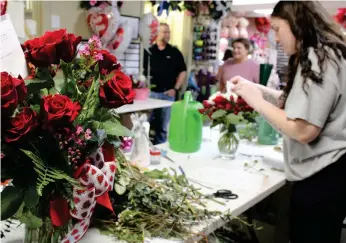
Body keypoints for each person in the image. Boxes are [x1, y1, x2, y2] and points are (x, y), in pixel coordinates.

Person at [230, 1, 346, 243]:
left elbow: (303, 129)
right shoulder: (329, 54)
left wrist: (258, 103)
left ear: (296, 24)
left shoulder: (318, 58)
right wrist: (260, 90)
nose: (275, 37)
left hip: (321, 177)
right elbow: (305, 104)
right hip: (330, 176)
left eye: (277, 28)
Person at [143, 23, 187, 145]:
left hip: (168, 94)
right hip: (151, 94)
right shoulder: (149, 51)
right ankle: (145, 149)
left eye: (168, 32)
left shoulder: (174, 52)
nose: (167, 35)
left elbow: (183, 71)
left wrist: (175, 88)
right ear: (157, 33)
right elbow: (141, 71)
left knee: (163, 127)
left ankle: (160, 149)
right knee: (145, 125)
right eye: (164, 32)